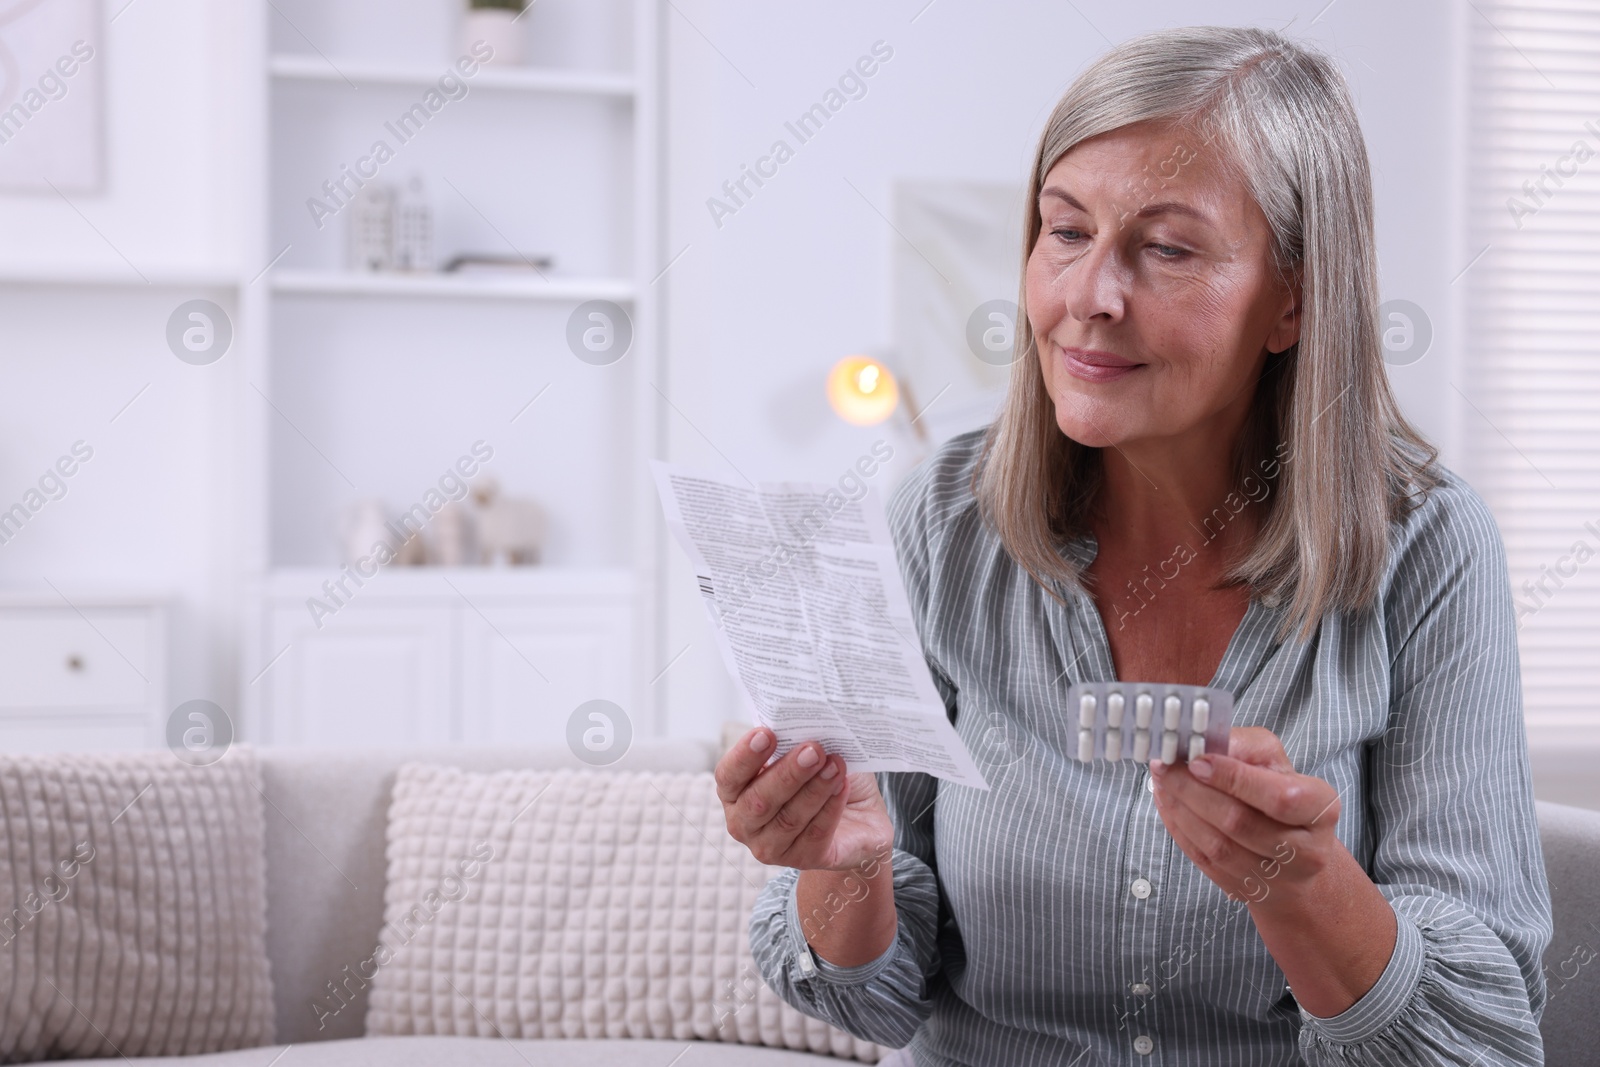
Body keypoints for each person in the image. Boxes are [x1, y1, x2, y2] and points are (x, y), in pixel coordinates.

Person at [714, 24, 1552, 1067]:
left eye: (1165, 248)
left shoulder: (1427, 544)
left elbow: (1480, 1037)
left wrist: (1303, 890)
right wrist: (845, 868)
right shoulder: (941, 519)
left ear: (1290, 296)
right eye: (1064, 232)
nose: (1087, 298)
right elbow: (876, 997)